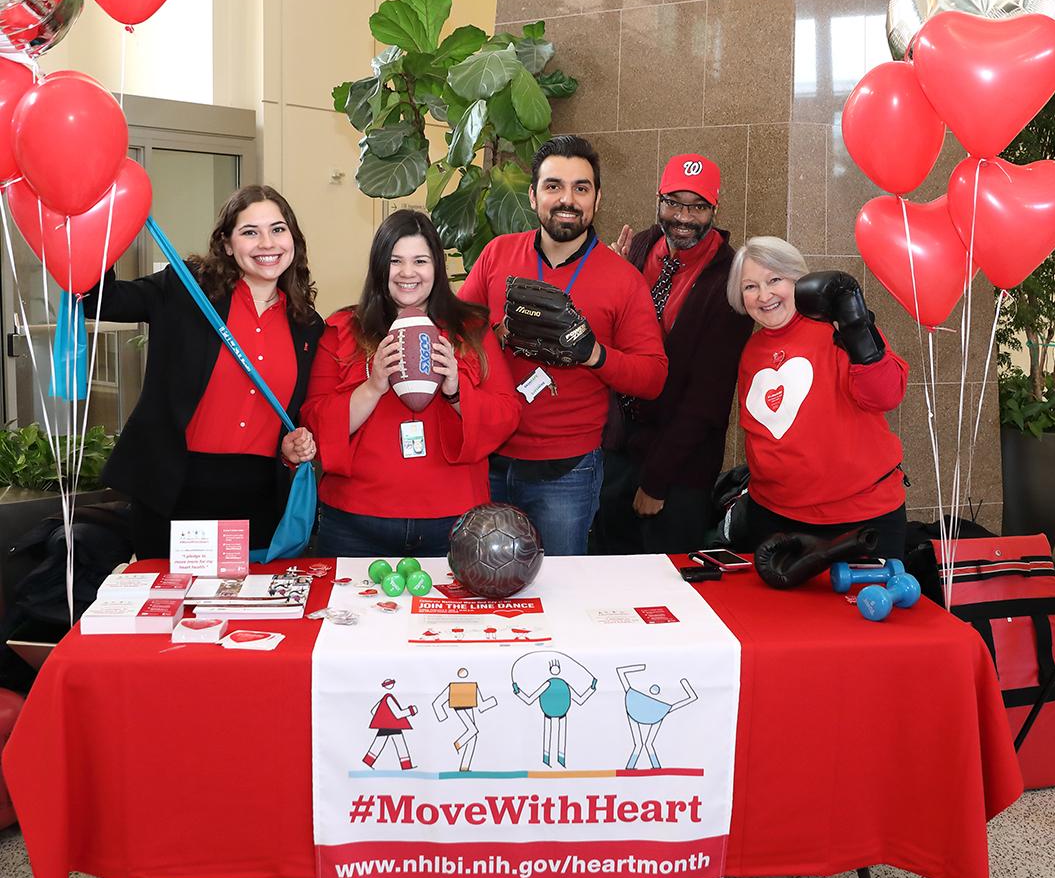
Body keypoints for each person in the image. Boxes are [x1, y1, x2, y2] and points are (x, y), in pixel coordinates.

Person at [86, 184, 324, 559]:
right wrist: (103, 227)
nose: (267, 243)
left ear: (293, 238)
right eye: (250, 232)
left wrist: (292, 446)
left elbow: (298, 413)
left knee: (246, 610)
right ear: (227, 244)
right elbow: (102, 300)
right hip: (173, 487)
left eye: (278, 229)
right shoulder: (186, 289)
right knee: (169, 608)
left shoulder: (309, 325)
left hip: (258, 497)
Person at [459, 134, 668, 555]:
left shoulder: (623, 280)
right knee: (479, 582)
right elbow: (455, 332)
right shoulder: (497, 254)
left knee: (558, 594)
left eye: (581, 188)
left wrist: (595, 355)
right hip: (488, 458)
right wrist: (494, 337)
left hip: (567, 473)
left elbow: (653, 376)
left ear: (597, 199)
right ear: (533, 196)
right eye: (554, 186)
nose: (567, 199)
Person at [301, 210, 520, 558]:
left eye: (420, 260)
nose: (407, 273)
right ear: (378, 268)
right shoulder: (344, 329)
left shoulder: (471, 329)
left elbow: (508, 413)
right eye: (395, 261)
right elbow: (314, 419)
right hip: (354, 522)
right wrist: (372, 387)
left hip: (454, 521)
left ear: (436, 266)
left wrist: (456, 391)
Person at [593, 154, 752, 554]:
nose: (683, 216)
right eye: (674, 203)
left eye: (697, 206)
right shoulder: (641, 246)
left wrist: (656, 481)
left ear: (715, 208)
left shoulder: (729, 280)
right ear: (658, 199)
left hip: (678, 469)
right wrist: (607, 277)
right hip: (618, 450)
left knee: (666, 591)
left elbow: (708, 399)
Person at [726, 236, 909, 559]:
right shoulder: (752, 351)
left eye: (775, 280)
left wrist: (858, 329)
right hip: (776, 517)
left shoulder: (836, 331)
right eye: (750, 287)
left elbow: (887, 394)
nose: (764, 295)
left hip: (859, 518)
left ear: (800, 281)